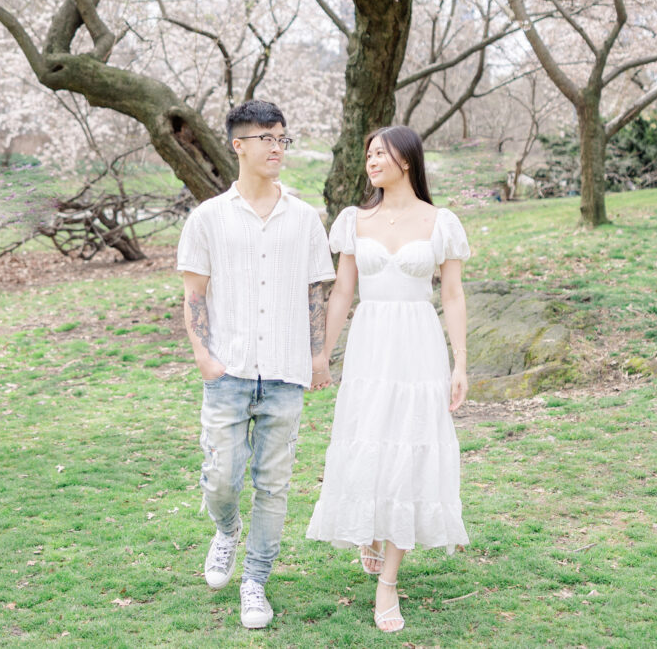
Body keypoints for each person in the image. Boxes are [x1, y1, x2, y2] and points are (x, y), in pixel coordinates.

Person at [176, 99, 335, 629]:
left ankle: (255, 582)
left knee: (274, 484)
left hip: (287, 372)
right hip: (228, 370)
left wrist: (317, 355)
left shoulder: (305, 218)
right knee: (222, 477)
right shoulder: (208, 218)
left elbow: (317, 292)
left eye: (282, 138)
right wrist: (204, 356)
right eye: (266, 138)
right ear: (238, 145)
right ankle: (226, 529)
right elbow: (194, 293)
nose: (276, 148)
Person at [305, 125, 470, 633]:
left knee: (410, 446)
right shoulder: (354, 220)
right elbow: (341, 292)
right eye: (369, 153)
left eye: (381, 153)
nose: (371, 160)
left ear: (406, 159)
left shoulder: (441, 222)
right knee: (369, 442)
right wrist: (322, 354)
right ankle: (369, 532)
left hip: (419, 347)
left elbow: (453, 296)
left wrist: (461, 363)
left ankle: (388, 584)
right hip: (371, 345)